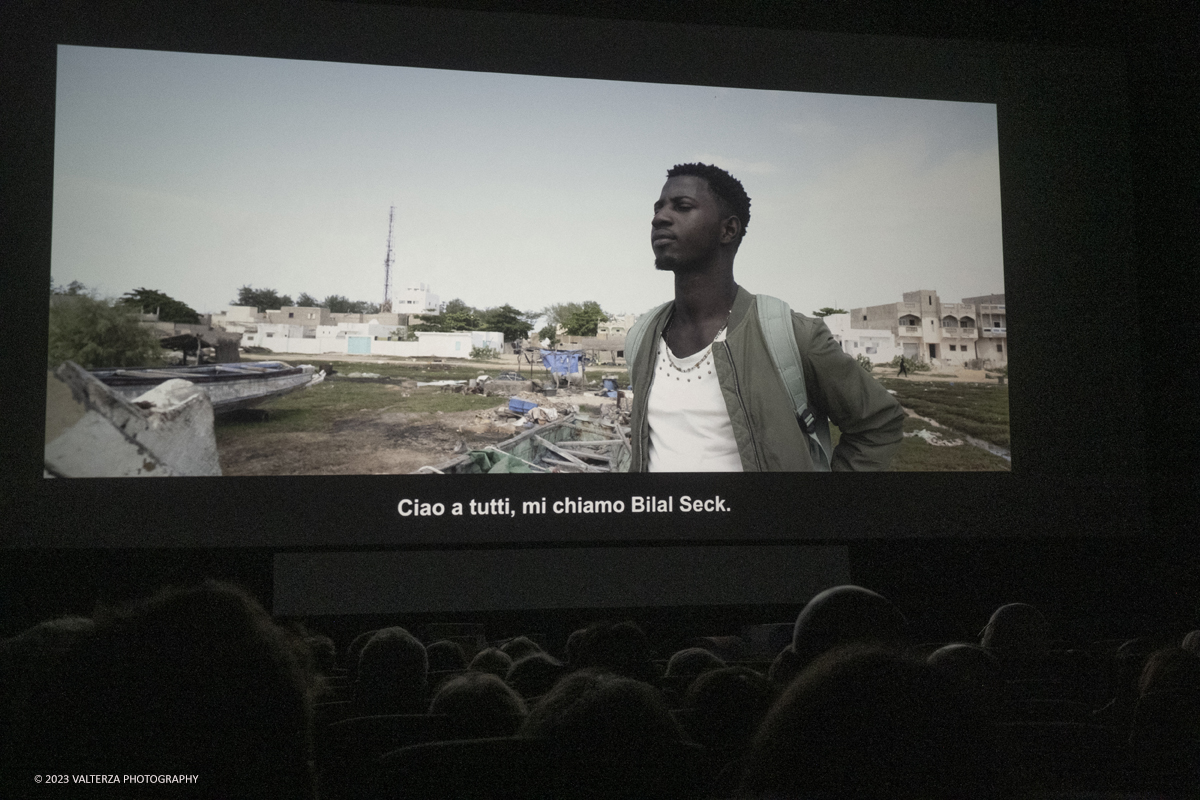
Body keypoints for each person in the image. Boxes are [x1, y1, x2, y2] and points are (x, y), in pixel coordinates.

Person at [627, 162, 905, 471]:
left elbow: (879, 423)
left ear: (728, 229)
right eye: (658, 207)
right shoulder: (643, 337)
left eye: (682, 206)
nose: (659, 218)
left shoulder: (793, 336)